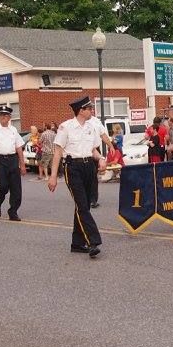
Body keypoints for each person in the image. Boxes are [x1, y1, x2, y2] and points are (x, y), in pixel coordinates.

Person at [49, 96, 107, 256]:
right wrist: (53, 176)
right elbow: (58, 152)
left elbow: (94, 150)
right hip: (72, 167)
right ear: (81, 111)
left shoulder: (92, 127)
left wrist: (101, 159)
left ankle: (77, 243)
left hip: (89, 166)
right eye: (89, 108)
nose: (92, 111)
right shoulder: (65, 127)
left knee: (84, 205)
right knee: (82, 205)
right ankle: (93, 241)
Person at [0, 105, 26, 220]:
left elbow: (19, 148)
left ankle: (13, 211)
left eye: (5, 115)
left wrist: (22, 165)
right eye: (1, 115)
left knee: (16, 188)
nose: (3, 117)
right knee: (3, 186)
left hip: (13, 160)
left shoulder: (13, 130)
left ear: (9, 117)